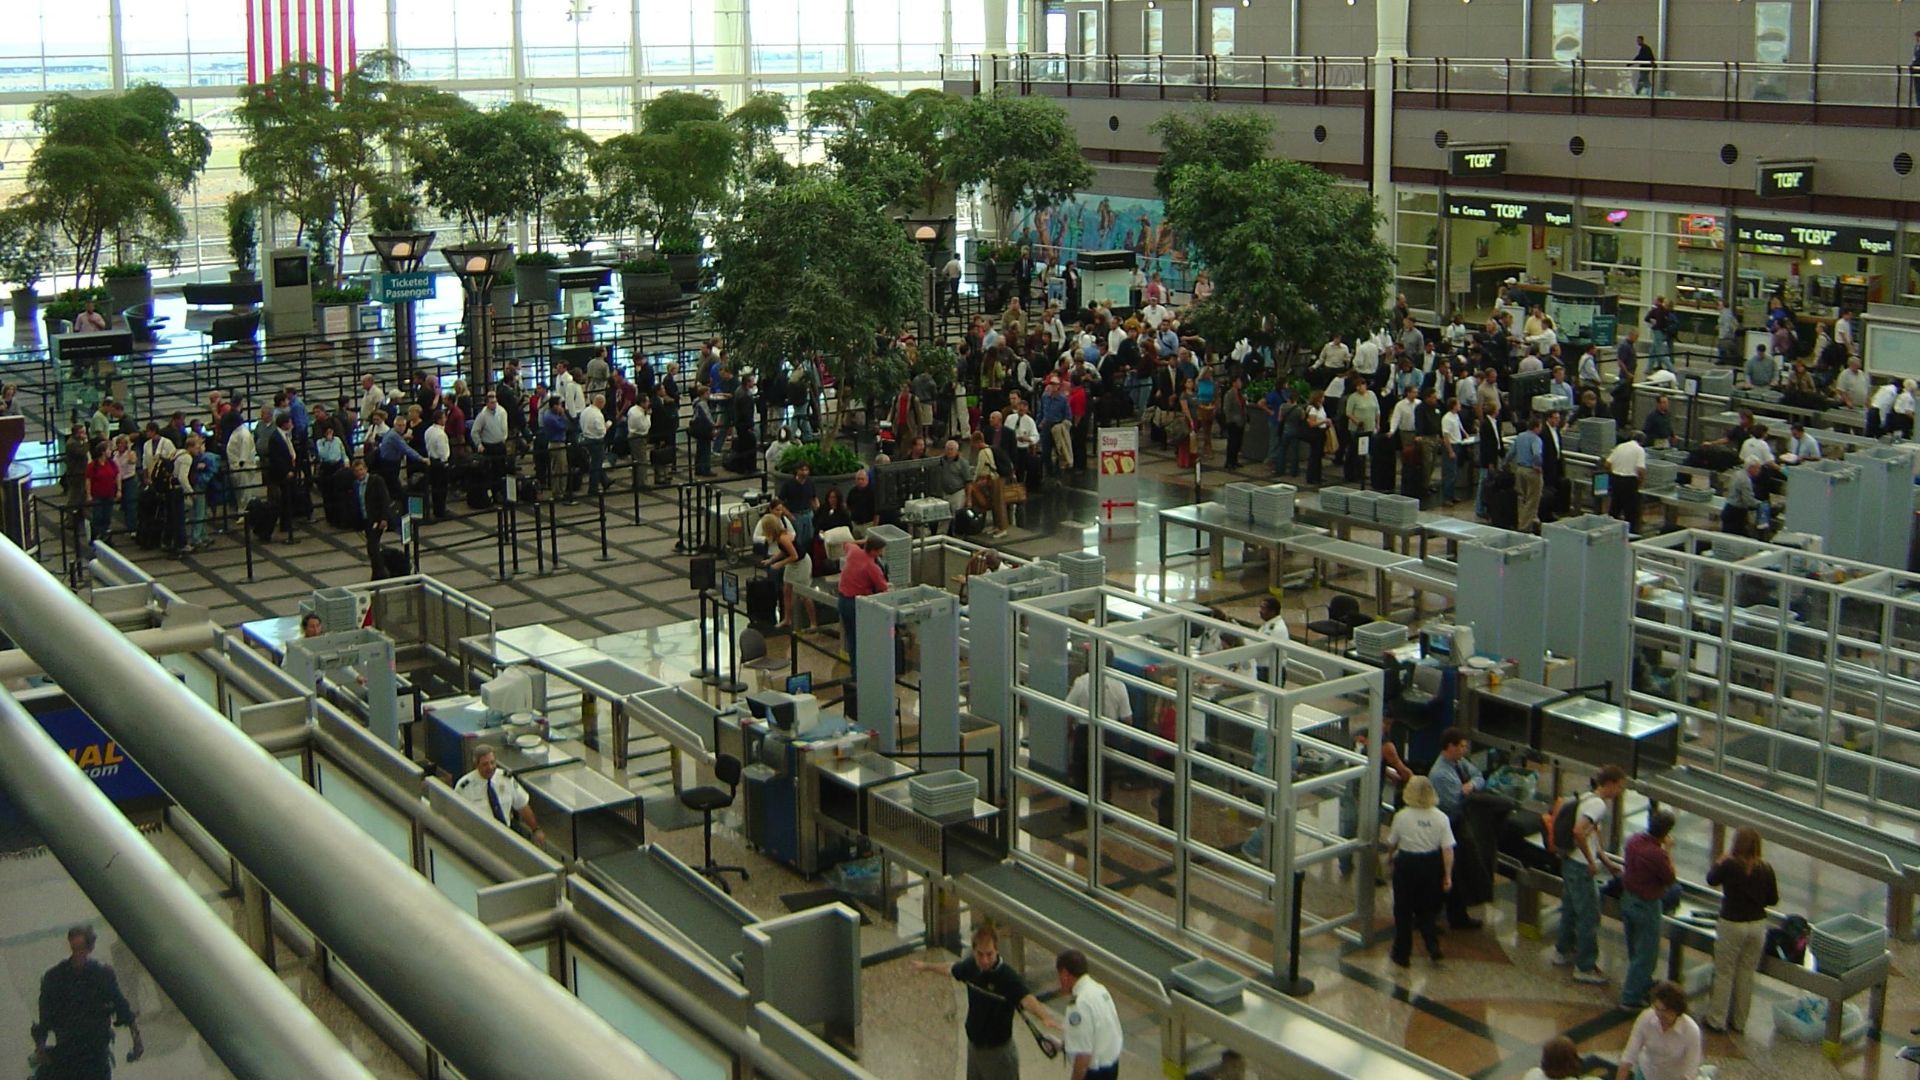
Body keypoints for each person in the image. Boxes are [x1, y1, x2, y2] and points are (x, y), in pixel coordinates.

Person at [911, 925, 1058, 1079]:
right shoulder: (970, 967)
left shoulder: (1007, 977)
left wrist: (1044, 1017)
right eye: (980, 954)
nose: (985, 960)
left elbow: (1026, 999)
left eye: (989, 954)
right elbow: (951, 969)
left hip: (998, 1052)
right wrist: (926, 966)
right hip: (974, 1048)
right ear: (974, 951)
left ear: (997, 951)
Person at [33, 924, 142, 1076]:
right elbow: (45, 1015)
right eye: (74, 948)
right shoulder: (56, 977)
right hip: (67, 1051)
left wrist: (136, 1040)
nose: (78, 954)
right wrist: (40, 1047)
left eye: (81, 949)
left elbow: (122, 1006)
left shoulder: (102, 975)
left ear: (89, 948)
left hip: (96, 1052)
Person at [1555, 765, 1628, 986]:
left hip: (1569, 862)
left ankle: (1563, 949)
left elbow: (1592, 836)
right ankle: (1585, 966)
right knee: (1589, 915)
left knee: (1569, 907)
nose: (1621, 791)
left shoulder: (1587, 797)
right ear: (1611, 784)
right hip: (1580, 867)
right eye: (1621, 786)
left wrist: (1605, 861)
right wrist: (1590, 861)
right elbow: (1579, 831)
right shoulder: (1598, 805)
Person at [1703, 827, 1778, 1033]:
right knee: (1746, 974)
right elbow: (1773, 899)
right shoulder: (1766, 868)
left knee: (1724, 972)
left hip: (1732, 923)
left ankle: (1717, 1019)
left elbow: (1711, 880)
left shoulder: (1729, 865)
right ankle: (1739, 1022)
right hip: (1757, 925)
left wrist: (1719, 862)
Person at [1384, 775, 1455, 968]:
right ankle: (1432, 946)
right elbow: (1448, 849)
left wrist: (1389, 858)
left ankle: (1401, 953)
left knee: (1403, 909)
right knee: (1427, 909)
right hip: (1431, 865)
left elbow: (1392, 842)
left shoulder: (1402, 816)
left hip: (1407, 863)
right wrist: (1448, 875)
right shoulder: (1441, 818)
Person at [1620, 809, 1679, 1010]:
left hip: (1628, 899)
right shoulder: (1657, 854)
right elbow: (1670, 878)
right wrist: (1667, 850)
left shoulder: (1633, 840)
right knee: (1646, 954)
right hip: (1647, 905)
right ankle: (1631, 997)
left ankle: (1641, 983)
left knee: (1635, 947)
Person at [1428, 728, 1485, 929]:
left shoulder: (1458, 763)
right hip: (1448, 826)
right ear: (1450, 746)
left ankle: (1457, 914)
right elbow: (1454, 802)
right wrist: (1468, 792)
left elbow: (1478, 776)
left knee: (1460, 871)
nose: (1465, 750)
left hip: (1457, 823)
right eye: (1461, 746)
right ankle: (1435, 917)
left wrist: (1471, 786)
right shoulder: (1441, 774)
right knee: (1448, 872)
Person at [454, 743, 546, 844]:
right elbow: (457, 817)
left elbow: (522, 806)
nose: (490, 767)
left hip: (506, 835)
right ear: (476, 765)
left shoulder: (505, 779)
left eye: (492, 762)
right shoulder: (465, 787)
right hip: (479, 840)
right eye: (485, 764)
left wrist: (536, 830)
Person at [1055, 949, 1122, 1080]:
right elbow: (1099, 1033)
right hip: (1112, 1065)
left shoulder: (1079, 1005)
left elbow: (1083, 1055)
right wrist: (1063, 1045)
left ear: (1065, 974)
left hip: (1095, 1073)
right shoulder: (1100, 990)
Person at [1616, 981, 1702, 1080]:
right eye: (1657, 1009)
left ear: (1676, 1010)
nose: (1659, 1015)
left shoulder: (1691, 1030)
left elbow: (1690, 1071)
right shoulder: (1646, 1017)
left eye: (1665, 1011)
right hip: (1647, 1073)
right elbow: (1629, 1055)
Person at [837, 534, 891, 646]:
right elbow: (883, 588)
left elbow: (847, 542)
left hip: (842, 600)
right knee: (861, 638)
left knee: (851, 637)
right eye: (880, 551)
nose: (881, 554)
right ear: (873, 551)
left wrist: (865, 541)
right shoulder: (872, 567)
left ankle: (854, 662)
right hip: (857, 604)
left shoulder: (854, 552)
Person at [352, 458, 393, 581]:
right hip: (366, 520)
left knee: (372, 547)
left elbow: (385, 499)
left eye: (361, 469)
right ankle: (377, 571)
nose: (359, 473)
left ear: (366, 469)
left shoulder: (376, 481)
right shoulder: (356, 485)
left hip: (377, 519)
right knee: (371, 547)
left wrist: (384, 518)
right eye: (357, 471)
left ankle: (380, 573)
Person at [1508, 416, 1545, 533]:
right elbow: (1536, 454)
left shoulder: (1520, 437)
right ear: (1537, 427)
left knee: (1521, 498)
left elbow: (1511, 453)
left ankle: (1526, 521)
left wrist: (1504, 464)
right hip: (1531, 471)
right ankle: (1524, 526)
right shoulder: (1536, 439)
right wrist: (1538, 466)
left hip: (1520, 470)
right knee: (1532, 499)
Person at [1607, 432, 1647, 529]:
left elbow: (1607, 463)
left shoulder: (1620, 446)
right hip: (1630, 482)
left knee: (1614, 508)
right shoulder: (1639, 450)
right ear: (1641, 441)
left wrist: (1612, 474)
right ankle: (1631, 534)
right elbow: (1640, 470)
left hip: (1616, 479)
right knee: (1631, 511)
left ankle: (1610, 530)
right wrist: (1641, 483)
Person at [1721, 461, 1763, 536]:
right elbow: (1748, 500)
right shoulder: (1745, 480)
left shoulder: (1738, 473)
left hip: (1728, 508)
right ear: (1751, 468)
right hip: (1736, 513)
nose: (1759, 471)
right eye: (1758, 468)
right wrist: (1761, 504)